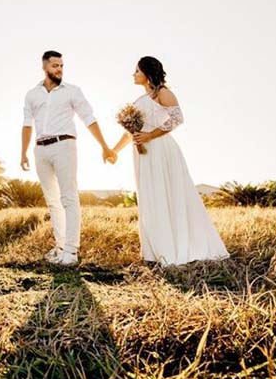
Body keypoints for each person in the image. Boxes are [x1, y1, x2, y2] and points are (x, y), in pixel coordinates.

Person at [110, 56, 229, 266]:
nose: (133, 74)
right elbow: (129, 132)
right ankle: (156, 251)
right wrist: (114, 151)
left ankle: (176, 248)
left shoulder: (162, 93)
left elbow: (177, 119)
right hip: (142, 153)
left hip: (160, 148)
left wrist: (149, 136)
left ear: (147, 74)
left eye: (137, 71)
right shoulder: (138, 101)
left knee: (168, 193)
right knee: (150, 198)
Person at [21, 50, 116, 266]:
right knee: (52, 201)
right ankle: (60, 246)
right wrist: (23, 152)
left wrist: (104, 146)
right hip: (40, 149)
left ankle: (71, 251)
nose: (59, 69)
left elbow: (89, 118)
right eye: (55, 66)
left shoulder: (72, 91)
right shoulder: (32, 94)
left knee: (69, 198)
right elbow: (27, 124)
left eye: (62, 66)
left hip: (64, 145)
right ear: (44, 67)